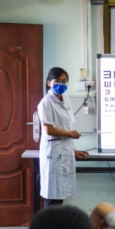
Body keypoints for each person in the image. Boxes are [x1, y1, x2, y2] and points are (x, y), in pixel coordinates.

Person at [37, 67, 88, 207]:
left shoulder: (66, 99)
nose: (61, 84)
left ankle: (56, 228)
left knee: (60, 196)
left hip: (64, 151)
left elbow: (67, 127)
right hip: (53, 153)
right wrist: (70, 134)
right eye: (57, 81)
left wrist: (73, 150)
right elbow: (48, 129)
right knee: (52, 196)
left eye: (64, 81)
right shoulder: (46, 102)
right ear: (49, 83)